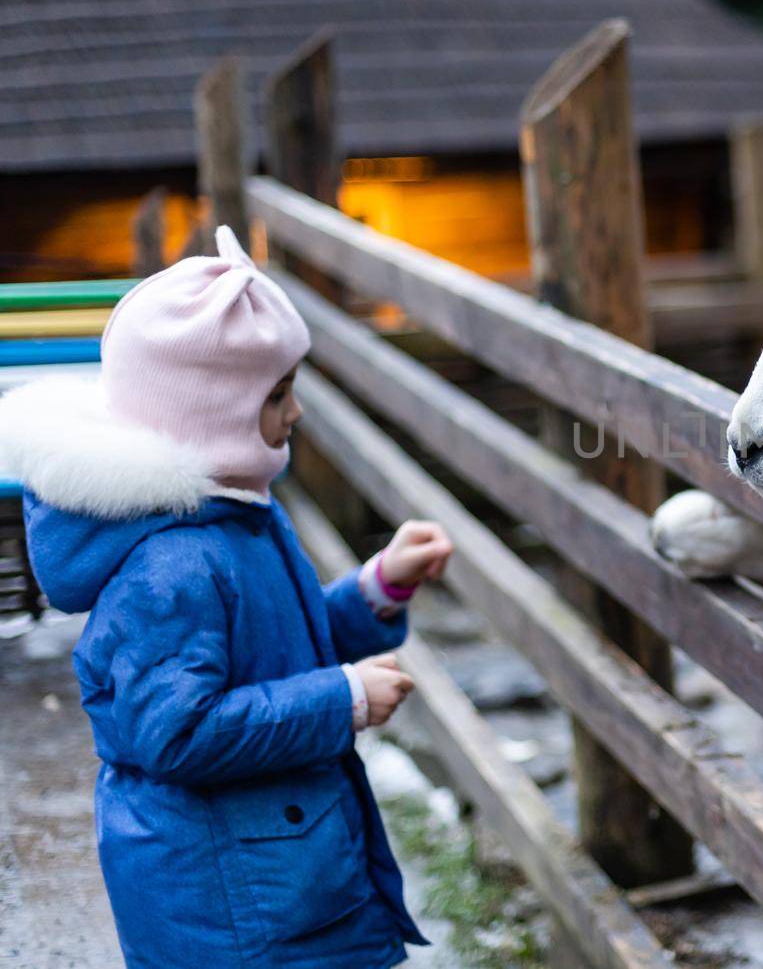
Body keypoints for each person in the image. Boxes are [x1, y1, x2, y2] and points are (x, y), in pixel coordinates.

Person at [0, 228, 452, 968]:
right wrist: (342, 700)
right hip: (231, 910)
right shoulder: (173, 568)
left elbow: (280, 646)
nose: (295, 412)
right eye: (277, 394)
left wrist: (379, 586)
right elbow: (176, 733)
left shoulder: (233, 513)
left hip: (279, 877)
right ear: (210, 411)